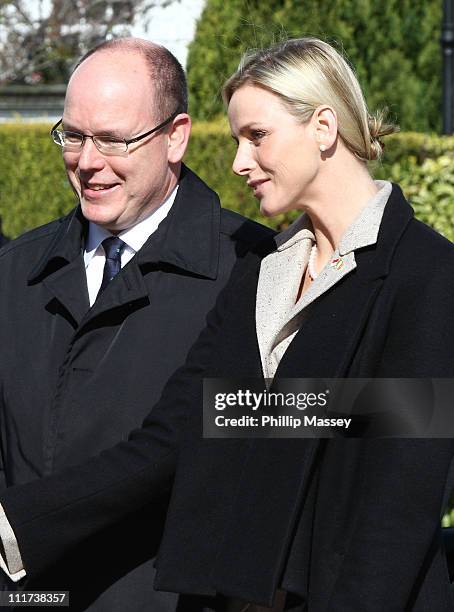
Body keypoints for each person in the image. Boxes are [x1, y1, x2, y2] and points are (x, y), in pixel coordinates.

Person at [1, 37, 454, 611]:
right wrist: (15, 524)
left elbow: (400, 499)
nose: (238, 162)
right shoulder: (263, 269)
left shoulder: (430, 273)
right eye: (238, 139)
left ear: (323, 126)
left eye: (256, 136)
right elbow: (178, 430)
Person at [0, 38, 271, 611]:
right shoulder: (16, 270)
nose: (88, 161)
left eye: (114, 139)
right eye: (72, 135)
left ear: (176, 137)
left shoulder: (252, 270)